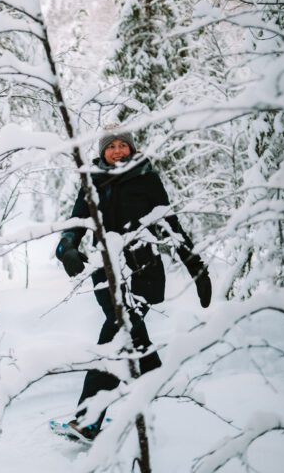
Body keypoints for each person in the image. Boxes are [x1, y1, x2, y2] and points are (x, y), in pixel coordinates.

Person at [54, 131, 212, 442]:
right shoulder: (93, 180)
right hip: (108, 269)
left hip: (144, 268)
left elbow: (169, 224)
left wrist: (196, 267)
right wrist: (66, 248)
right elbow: (75, 222)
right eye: (110, 146)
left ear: (131, 148)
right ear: (102, 152)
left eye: (122, 144)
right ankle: (152, 376)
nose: (117, 150)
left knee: (116, 331)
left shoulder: (146, 178)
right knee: (124, 331)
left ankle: (88, 421)